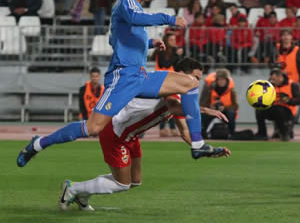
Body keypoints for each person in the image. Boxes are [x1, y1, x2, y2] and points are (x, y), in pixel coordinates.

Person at [17, 0, 225, 168]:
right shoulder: (126, 3)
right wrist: (169, 19)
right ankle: (38, 143)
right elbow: (135, 21)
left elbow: (118, 39)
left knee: (189, 83)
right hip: (122, 78)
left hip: (140, 77)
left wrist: (150, 44)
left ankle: (197, 145)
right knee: (93, 127)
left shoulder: (134, 8)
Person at [59, 58, 231, 211]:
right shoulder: (166, 90)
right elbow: (172, 106)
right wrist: (204, 109)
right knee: (122, 183)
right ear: (180, 75)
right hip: (114, 132)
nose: (196, 83)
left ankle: (82, 192)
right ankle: (73, 188)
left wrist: (208, 150)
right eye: (195, 77)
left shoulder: (178, 96)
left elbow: (185, 133)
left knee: (135, 180)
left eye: (199, 79)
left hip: (129, 136)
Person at [255, 69, 300, 141]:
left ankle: (284, 133)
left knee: (279, 109)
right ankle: (262, 133)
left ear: (280, 77)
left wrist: (288, 100)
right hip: (274, 108)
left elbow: (299, 100)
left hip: (288, 111)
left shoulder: (292, 85)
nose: (272, 81)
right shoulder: (270, 86)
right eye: (271, 79)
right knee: (259, 109)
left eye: (274, 79)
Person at [152, 32, 183, 137]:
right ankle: (163, 128)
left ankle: (172, 128)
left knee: (172, 104)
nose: (174, 42)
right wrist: (176, 55)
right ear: (166, 41)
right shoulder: (160, 51)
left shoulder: (175, 52)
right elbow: (164, 64)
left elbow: (178, 66)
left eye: (174, 40)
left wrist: (178, 56)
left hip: (172, 81)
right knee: (167, 104)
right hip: (162, 81)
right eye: (171, 40)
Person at [200, 69, 238, 139]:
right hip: (212, 111)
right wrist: (211, 106)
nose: (221, 81)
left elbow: (235, 106)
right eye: (219, 80)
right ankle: (203, 132)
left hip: (226, 112)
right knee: (203, 114)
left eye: (223, 80)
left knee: (231, 113)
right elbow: (203, 104)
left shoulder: (232, 91)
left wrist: (224, 108)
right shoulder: (209, 90)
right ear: (216, 81)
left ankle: (231, 133)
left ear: (227, 81)